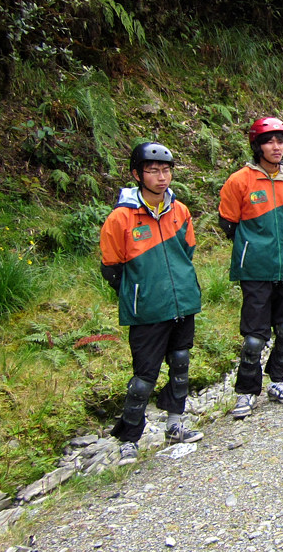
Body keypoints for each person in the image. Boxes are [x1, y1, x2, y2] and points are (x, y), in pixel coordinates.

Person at [100, 142, 204, 465]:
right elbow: (111, 267)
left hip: (181, 303)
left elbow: (187, 252)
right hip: (146, 310)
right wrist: (140, 292)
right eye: (153, 170)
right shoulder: (121, 218)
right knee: (143, 378)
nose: (162, 177)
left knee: (181, 363)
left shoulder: (180, 211)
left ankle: (175, 424)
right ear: (136, 174)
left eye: (166, 170)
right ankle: (129, 437)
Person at [219, 117, 283, 419]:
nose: (276, 146)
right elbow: (228, 224)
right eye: (269, 141)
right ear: (257, 146)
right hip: (256, 269)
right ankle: (246, 393)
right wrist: (255, 247)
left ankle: (278, 382)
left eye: (280, 140)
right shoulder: (239, 181)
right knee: (255, 336)